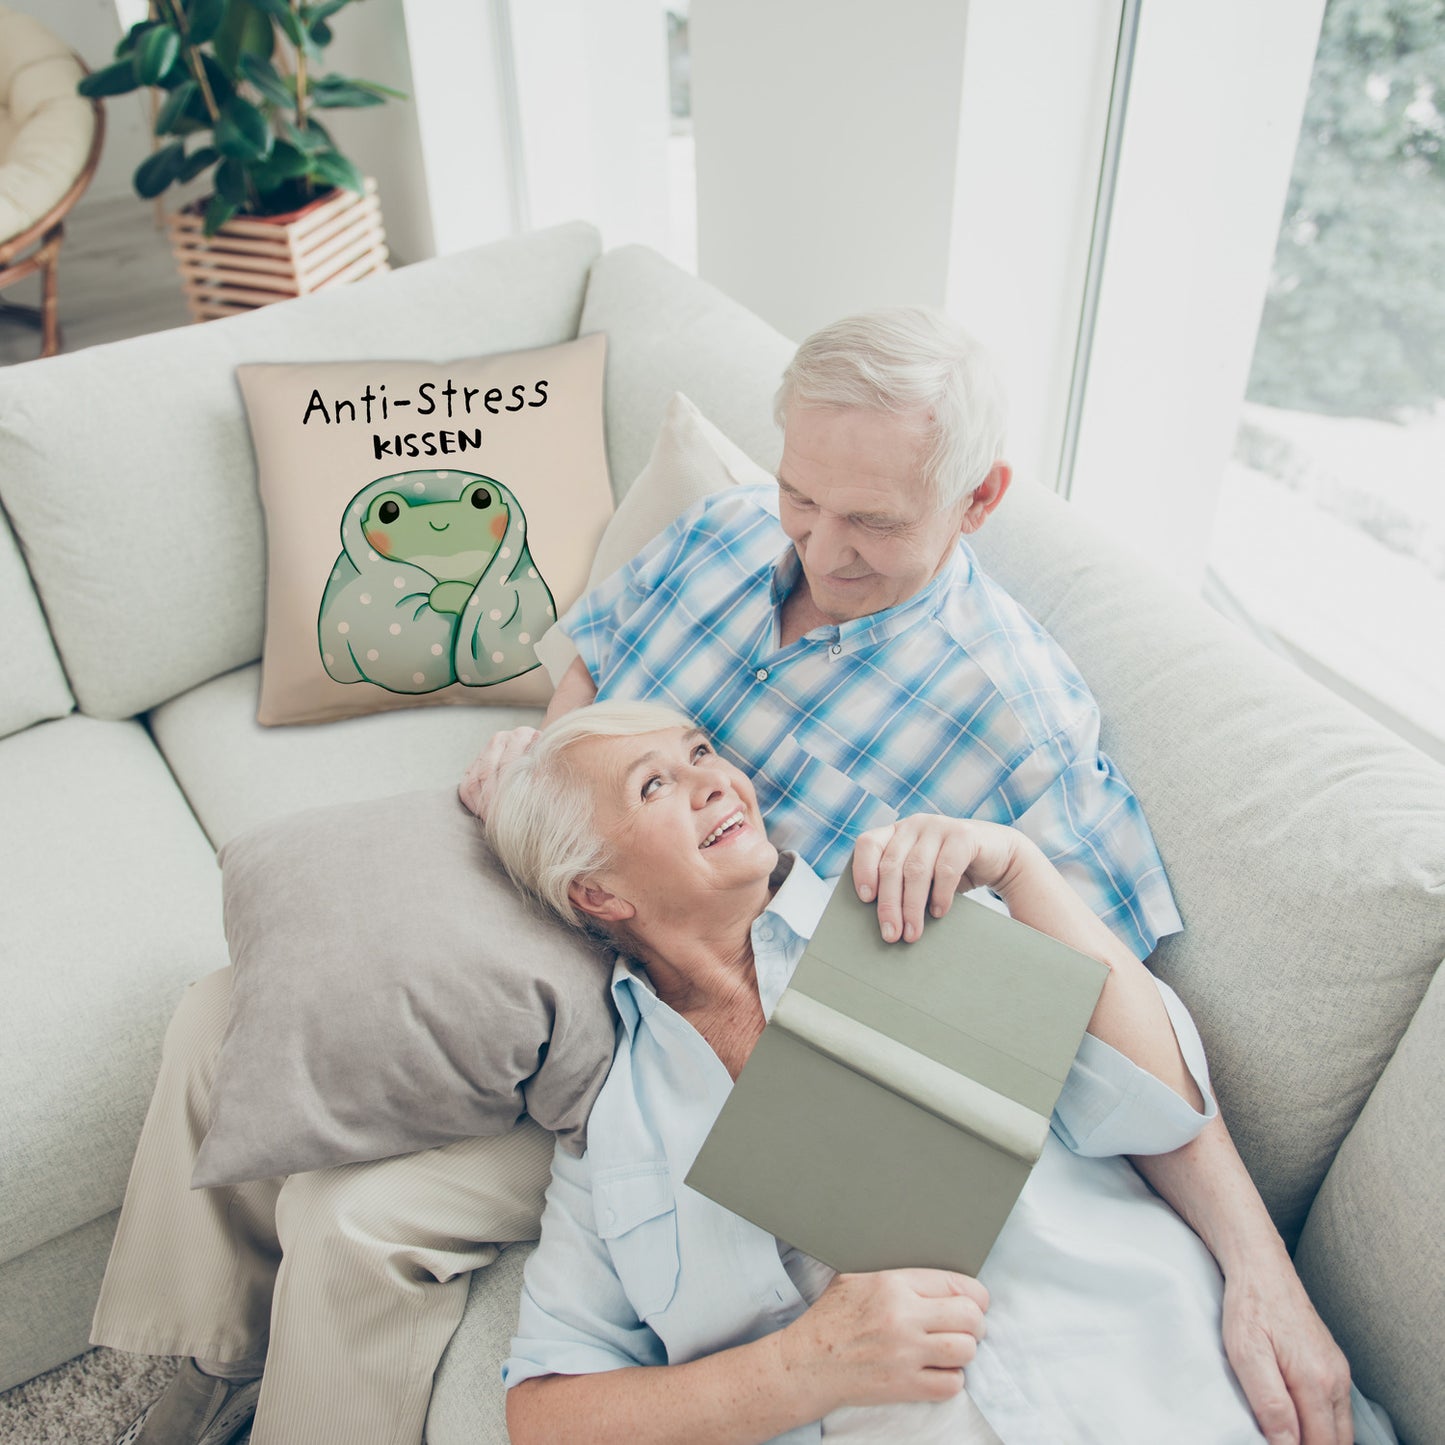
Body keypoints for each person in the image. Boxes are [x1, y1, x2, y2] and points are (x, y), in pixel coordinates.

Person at [94, 309, 1348, 1445]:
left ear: (976, 501)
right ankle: (192, 1364)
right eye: (804, 495)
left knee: (355, 1218)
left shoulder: (1016, 725)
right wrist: (545, 763)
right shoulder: (725, 532)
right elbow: (588, 670)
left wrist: (1260, 1267)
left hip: (695, 1014)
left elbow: (1104, 1021)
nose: (818, 545)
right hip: (583, 889)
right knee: (229, 1008)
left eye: (871, 520)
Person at [486, 700, 1382, 1445]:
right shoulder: (614, 1132)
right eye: (655, 784)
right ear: (597, 893)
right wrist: (802, 1367)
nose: (715, 779)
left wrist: (1021, 869)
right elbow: (545, 1413)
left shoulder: (909, 907)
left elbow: (1158, 1105)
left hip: (1175, 1392)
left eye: (700, 752)